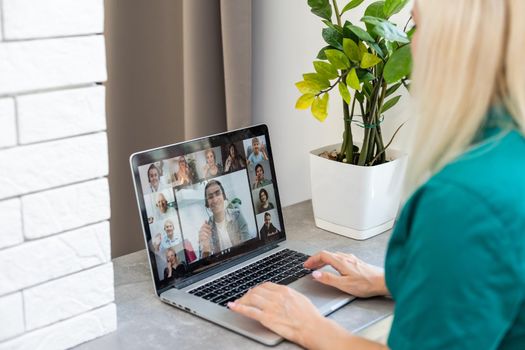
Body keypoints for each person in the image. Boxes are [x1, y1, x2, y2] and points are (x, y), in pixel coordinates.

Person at [228, 1, 525, 349]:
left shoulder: (462, 202)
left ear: (456, 39)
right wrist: (394, 281)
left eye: (420, 25)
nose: (411, 46)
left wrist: (309, 326)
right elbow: (497, 280)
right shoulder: (508, 151)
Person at [198, 180, 252, 258]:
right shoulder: (206, 229)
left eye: (218, 193)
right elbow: (203, 264)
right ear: (207, 204)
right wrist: (205, 251)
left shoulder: (237, 215)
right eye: (210, 197)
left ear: (224, 196)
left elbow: (249, 248)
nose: (215, 200)